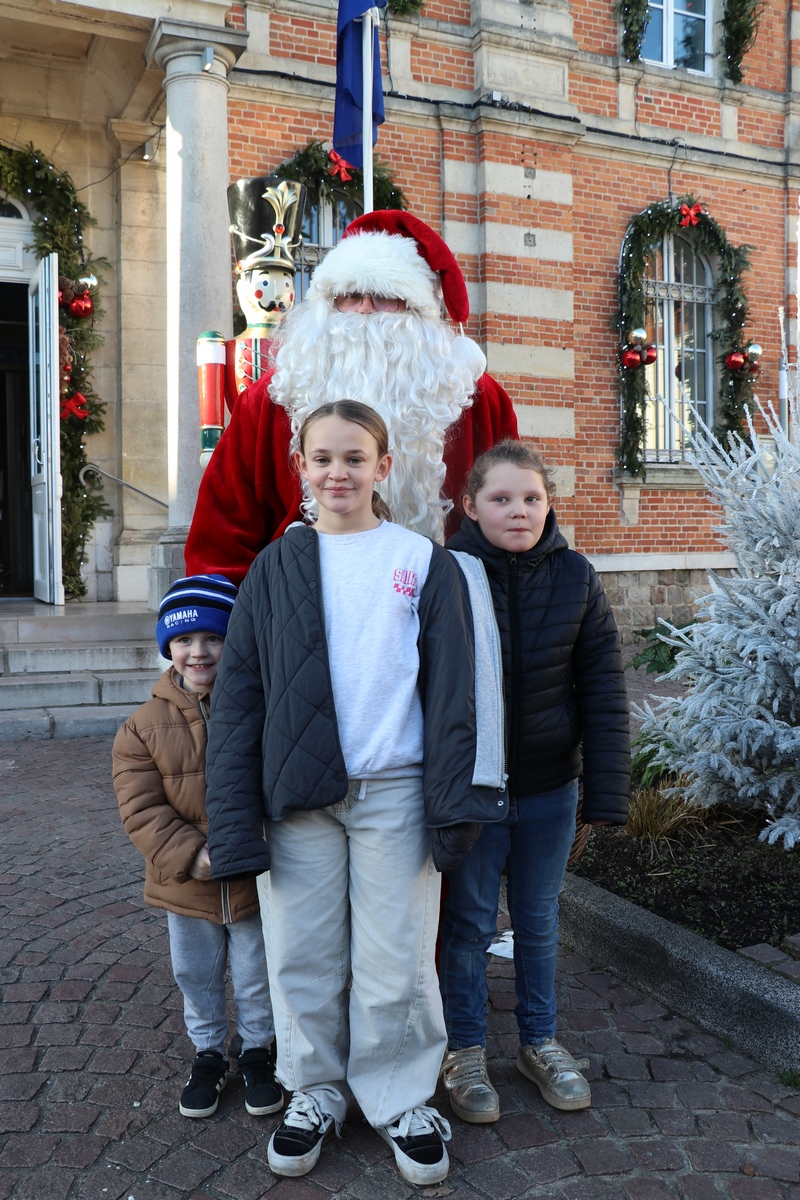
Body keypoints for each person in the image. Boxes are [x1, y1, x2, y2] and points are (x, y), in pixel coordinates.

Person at [203, 401, 508, 1185]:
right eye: (322, 458)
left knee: (396, 957)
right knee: (301, 953)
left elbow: (456, 693)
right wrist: (232, 817)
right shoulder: (277, 566)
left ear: (383, 467)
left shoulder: (421, 561)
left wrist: (457, 798)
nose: (337, 472)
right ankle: (315, 1090)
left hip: (396, 790)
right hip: (297, 796)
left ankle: (400, 1098)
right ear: (300, 467)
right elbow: (240, 698)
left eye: (354, 457)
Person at [438, 441, 630, 1124]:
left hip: (550, 788)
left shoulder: (575, 576)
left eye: (531, 498)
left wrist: (604, 795)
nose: (518, 510)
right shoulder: (447, 576)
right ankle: (464, 1049)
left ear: (548, 505)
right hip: (475, 790)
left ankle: (539, 1042)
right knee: (467, 924)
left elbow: (602, 690)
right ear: (470, 506)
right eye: (501, 498)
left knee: (538, 921)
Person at [184, 209, 518, 582]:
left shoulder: (475, 399)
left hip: (442, 606)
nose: (364, 311)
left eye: (386, 297)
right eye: (350, 296)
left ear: (419, 312)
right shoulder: (271, 400)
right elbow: (222, 533)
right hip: (300, 606)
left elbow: (517, 508)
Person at [112, 575, 282, 1122]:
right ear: (169, 647)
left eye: (213, 637)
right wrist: (191, 854)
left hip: (253, 879)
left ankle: (257, 1050)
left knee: (258, 972)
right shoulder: (141, 727)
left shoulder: (260, 707)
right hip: (186, 883)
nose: (199, 651)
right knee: (196, 974)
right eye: (184, 640)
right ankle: (208, 1053)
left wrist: (256, 845)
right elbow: (141, 809)